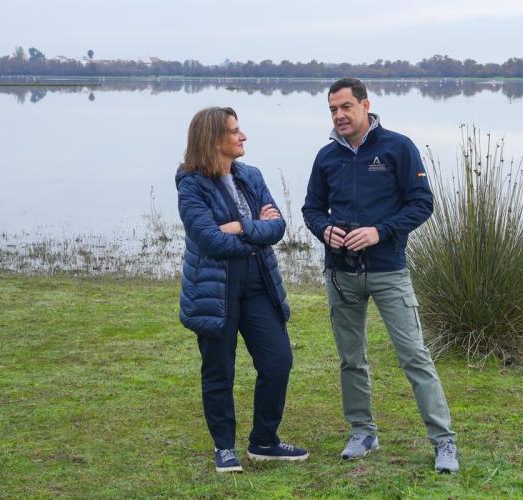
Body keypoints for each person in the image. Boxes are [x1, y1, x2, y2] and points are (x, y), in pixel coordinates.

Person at [302, 78, 459, 473]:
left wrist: (380, 231)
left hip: (388, 271)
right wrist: (324, 229)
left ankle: (443, 440)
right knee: (351, 359)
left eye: (345, 107)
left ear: (365, 105)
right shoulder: (326, 157)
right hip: (340, 274)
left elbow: (422, 204)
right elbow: (311, 209)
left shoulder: (397, 147)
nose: (339, 115)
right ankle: (362, 432)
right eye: (332, 109)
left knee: (414, 356)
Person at [176, 106, 308, 473]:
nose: (243, 136)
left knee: (278, 360)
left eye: (239, 129)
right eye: (234, 131)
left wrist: (239, 227)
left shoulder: (251, 175)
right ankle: (224, 448)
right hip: (215, 288)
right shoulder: (191, 184)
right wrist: (254, 231)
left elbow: (277, 227)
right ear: (213, 139)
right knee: (219, 369)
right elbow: (210, 241)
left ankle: (264, 441)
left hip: (258, 283)